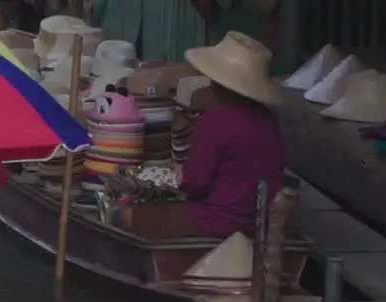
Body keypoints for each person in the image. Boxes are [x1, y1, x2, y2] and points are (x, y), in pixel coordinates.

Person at [118, 32, 283, 240]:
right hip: (260, 221)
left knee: (128, 215)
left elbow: (195, 184)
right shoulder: (269, 121)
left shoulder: (217, 121)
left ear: (219, 83)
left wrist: (181, 173)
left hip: (219, 222)